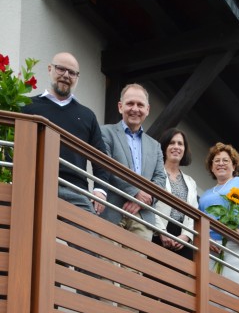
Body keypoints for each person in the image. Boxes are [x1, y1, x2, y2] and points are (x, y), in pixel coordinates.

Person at [22, 51, 108, 214]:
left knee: (86, 231)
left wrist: (100, 190)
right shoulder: (28, 106)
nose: (66, 75)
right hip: (34, 184)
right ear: (50, 69)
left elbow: (100, 157)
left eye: (72, 72)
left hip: (76, 191)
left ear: (77, 77)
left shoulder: (87, 115)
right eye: (61, 69)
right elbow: (14, 145)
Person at [101, 84, 166, 239]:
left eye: (140, 105)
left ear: (147, 110)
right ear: (120, 107)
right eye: (130, 103)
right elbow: (106, 165)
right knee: (105, 256)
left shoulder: (155, 146)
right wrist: (135, 193)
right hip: (111, 210)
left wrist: (142, 201)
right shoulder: (105, 132)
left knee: (138, 257)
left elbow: (160, 179)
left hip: (142, 218)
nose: (135, 109)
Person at [199, 142, 239, 287]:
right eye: (216, 161)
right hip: (211, 248)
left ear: (234, 166)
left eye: (225, 160)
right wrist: (207, 239)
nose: (221, 163)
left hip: (237, 246)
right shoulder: (206, 194)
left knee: (231, 292)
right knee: (207, 292)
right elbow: (199, 222)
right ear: (211, 167)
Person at [154, 128, 198, 257]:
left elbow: (194, 213)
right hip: (158, 232)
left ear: (184, 150)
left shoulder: (191, 182)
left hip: (182, 239)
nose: (176, 147)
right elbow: (149, 204)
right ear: (164, 147)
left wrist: (186, 236)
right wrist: (161, 231)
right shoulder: (155, 172)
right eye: (172, 143)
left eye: (180, 144)